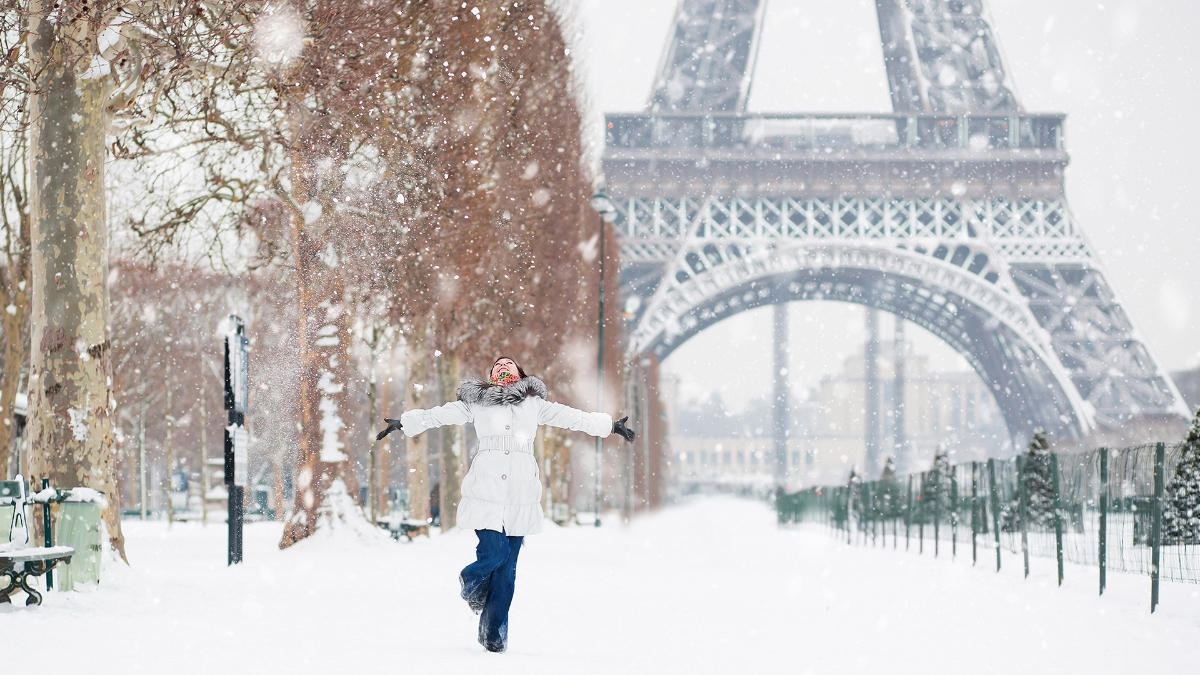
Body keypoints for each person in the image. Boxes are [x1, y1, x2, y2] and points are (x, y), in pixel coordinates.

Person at [376, 356, 635, 653]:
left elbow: (572, 417)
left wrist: (610, 426)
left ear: (520, 374)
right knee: (494, 552)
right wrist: (404, 423)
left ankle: (493, 636)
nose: (503, 366)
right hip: (485, 490)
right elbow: (438, 415)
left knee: (507, 572)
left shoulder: (534, 404)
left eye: (509, 363)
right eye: (497, 364)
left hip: (521, 495)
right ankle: (470, 580)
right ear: (490, 376)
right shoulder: (478, 403)